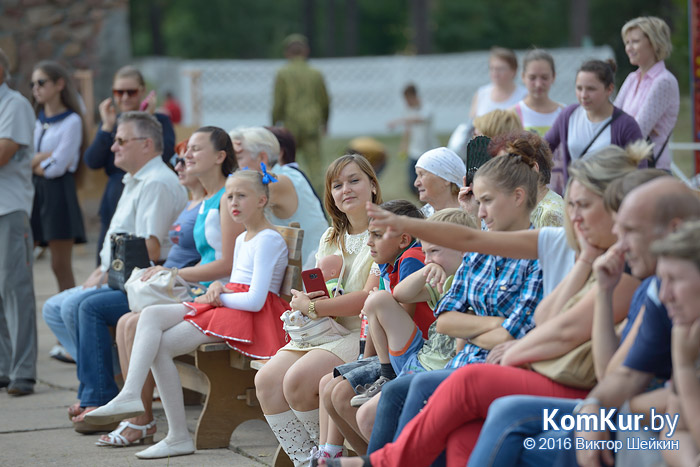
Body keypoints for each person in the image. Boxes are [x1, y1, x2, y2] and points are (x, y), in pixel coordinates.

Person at [323, 144, 648, 467]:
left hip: (561, 377)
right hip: (526, 364)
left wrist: (514, 347)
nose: (573, 214)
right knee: (458, 429)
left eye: (584, 205)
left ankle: (380, 463)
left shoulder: (623, 265)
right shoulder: (567, 245)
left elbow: (558, 332)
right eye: (572, 205)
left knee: (458, 385)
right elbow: (467, 287)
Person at [466, 169, 674, 467]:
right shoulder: (645, 282)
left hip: (633, 417)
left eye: (630, 229)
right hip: (618, 408)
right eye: (571, 206)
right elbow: (608, 369)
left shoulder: (661, 285)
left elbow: (584, 351)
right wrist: (601, 287)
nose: (622, 242)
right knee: (472, 421)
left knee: (496, 407)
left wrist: (595, 407)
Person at [85, 169, 291, 459]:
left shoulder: (268, 239)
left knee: (160, 342)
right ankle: (138, 400)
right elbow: (239, 280)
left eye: (241, 196)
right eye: (229, 196)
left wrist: (222, 295)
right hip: (230, 302)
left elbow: (257, 300)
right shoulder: (244, 237)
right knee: (152, 315)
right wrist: (220, 287)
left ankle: (174, 432)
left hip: (249, 314)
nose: (233, 202)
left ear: (262, 199)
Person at [95, 129, 241, 446]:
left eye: (196, 149)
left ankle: (138, 413)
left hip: (219, 298)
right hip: (203, 295)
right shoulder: (206, 199)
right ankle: (139, 410)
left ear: (220, 157)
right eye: (186, 150)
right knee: (128, 321)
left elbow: (228, 264)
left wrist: (175, 272)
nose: (187, 155)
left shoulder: (228, 198)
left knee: (137, 322)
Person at [41, 112, 186, 430]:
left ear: (146, 144)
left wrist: (107, 273)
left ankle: (99, 394)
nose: (113, 147)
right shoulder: (134, 180)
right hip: (123, 278)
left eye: (121, 140)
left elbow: (150, 251)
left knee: (84, 306)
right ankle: (110, 380)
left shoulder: (157, 183)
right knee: (54, 308)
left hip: (145, 285)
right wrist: (102, 270)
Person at [254, 154, 382, 466]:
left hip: (362, 333)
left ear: (373, 187)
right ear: (331, 196)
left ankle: (327, 456)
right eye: (337, 185)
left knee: (296, 380)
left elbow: (366, 298)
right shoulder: (331, 236)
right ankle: (304, 458)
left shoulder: (383, 233)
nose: (346, 189)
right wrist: (308, 298)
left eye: (354, 181)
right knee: (267, 380)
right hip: (323, 329)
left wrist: (313, 305)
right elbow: (322, 289)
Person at [572, 178, 700, 467]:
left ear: (674, 229)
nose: (620, 245)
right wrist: (592, 407)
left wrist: (633, 406)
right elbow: (620, 376)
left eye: (629, 230)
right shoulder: (662, 293)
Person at [317, 200, 431, 458]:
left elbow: (405, 317)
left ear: (403, 239)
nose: (370, 242)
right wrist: (364, 360)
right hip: (391, 355)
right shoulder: (388, 264)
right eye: (369, 234)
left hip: (412, 354)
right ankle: (356, 458)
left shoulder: (412, 258)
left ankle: (378, 460)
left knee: (343, 394)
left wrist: (373, 311)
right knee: (329, 385)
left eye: (377, 235)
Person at [84, 65, 176, 263]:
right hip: (116, 192)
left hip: (146, 189)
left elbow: (164, 152)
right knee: (105, 260)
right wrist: (106, 128)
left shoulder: (160, 120)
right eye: (119, 92)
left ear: (142, 91)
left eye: (131, 92)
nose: (124, 97)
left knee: (133, 258)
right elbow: (92, 161)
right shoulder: (112, 122)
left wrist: (148, 120)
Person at [232, 126, 328, 269]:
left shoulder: (278, 182)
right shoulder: (287, 173)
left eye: (238, 158)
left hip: (311, 275)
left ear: (262, 157)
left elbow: (231, 207)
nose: (233, 166)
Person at [29, 60, 87, 293]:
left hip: (58, 192)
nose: (36, 88)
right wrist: (44, 157)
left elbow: (57, 167)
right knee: (22, 258)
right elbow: (24, 158)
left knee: (59, 265)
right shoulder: (36, 118)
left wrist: (35, 162)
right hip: (34, 190)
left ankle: (68, 318)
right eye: (33, 83)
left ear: (59, 84)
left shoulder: (72, 120)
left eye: (41, 82)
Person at [0, 48, 38, 396]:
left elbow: (4, 152)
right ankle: (3, 365)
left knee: (15, 290)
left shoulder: (14, 104)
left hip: (8, 210)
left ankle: (23, 370)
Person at [545, 59, 643, 186]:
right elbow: (544, 148)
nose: (584, 95)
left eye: (591, 89)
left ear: (609, 89)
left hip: (610, 201)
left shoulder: (626, 125)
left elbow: (640, 172)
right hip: (575, 198)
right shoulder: (568, 115)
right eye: (579, 88)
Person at [653, 221, 700, 467]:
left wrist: (684, 366)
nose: (664, 295)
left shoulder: (685, 345)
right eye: (662, 280)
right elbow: (674, 432)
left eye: (675, 280)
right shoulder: (690, 334)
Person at [615, 16, 679, 169]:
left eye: (635, 41)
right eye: (627, 42)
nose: (628, 48)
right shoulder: (632, 78)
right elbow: (610, 119)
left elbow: (637, 131)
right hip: (629, 167)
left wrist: (622, 124)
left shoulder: (664, 81)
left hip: (652, 169)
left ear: (654, 43)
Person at [272, 34, 330, 186]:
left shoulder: (283, 73)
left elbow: (279, 102)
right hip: (311, 123)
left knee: (288, 165)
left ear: (287, 53)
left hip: (291, 125)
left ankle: (292, 197)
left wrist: (273, 125)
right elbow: (324, 101)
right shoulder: (315, 73)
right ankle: (320, 200)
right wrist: (325, 121)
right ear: (306, 51)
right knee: (315, 168)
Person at [488, 132, 565, 228]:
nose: (499, 174)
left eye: (506, 166)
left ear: (533, 169)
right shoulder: (527, 207)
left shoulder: (550, 214)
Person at [387, 84, 438, 193]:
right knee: (412, 184)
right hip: (414, 151)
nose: (406, 102)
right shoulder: (408, 110)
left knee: (429, 182)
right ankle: (422, 203)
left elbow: (419, 119)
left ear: (413, 96)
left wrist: (397, 121)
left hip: (428, 151)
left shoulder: (426, 107)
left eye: (407, 99)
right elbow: (408, 130)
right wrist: (403, 145)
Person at [512, 49, 563, 136]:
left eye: (544, 77)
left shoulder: (564, 113)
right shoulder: (512, 115)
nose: (538, 84)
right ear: (523, 76)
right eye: (532, 78)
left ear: (553, 76)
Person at [470, 46, 528, 118]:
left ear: (513, 71)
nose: (495, 73)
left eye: (500, 69)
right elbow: (472, 123)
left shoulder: (525, 95)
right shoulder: (481, 93)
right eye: (492, 68)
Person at [412, 147, 465, 217]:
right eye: (417, 175)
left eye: (422, 174)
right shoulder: (421, 217)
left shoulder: (475, 214)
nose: (416, 183)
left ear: (447, 179)